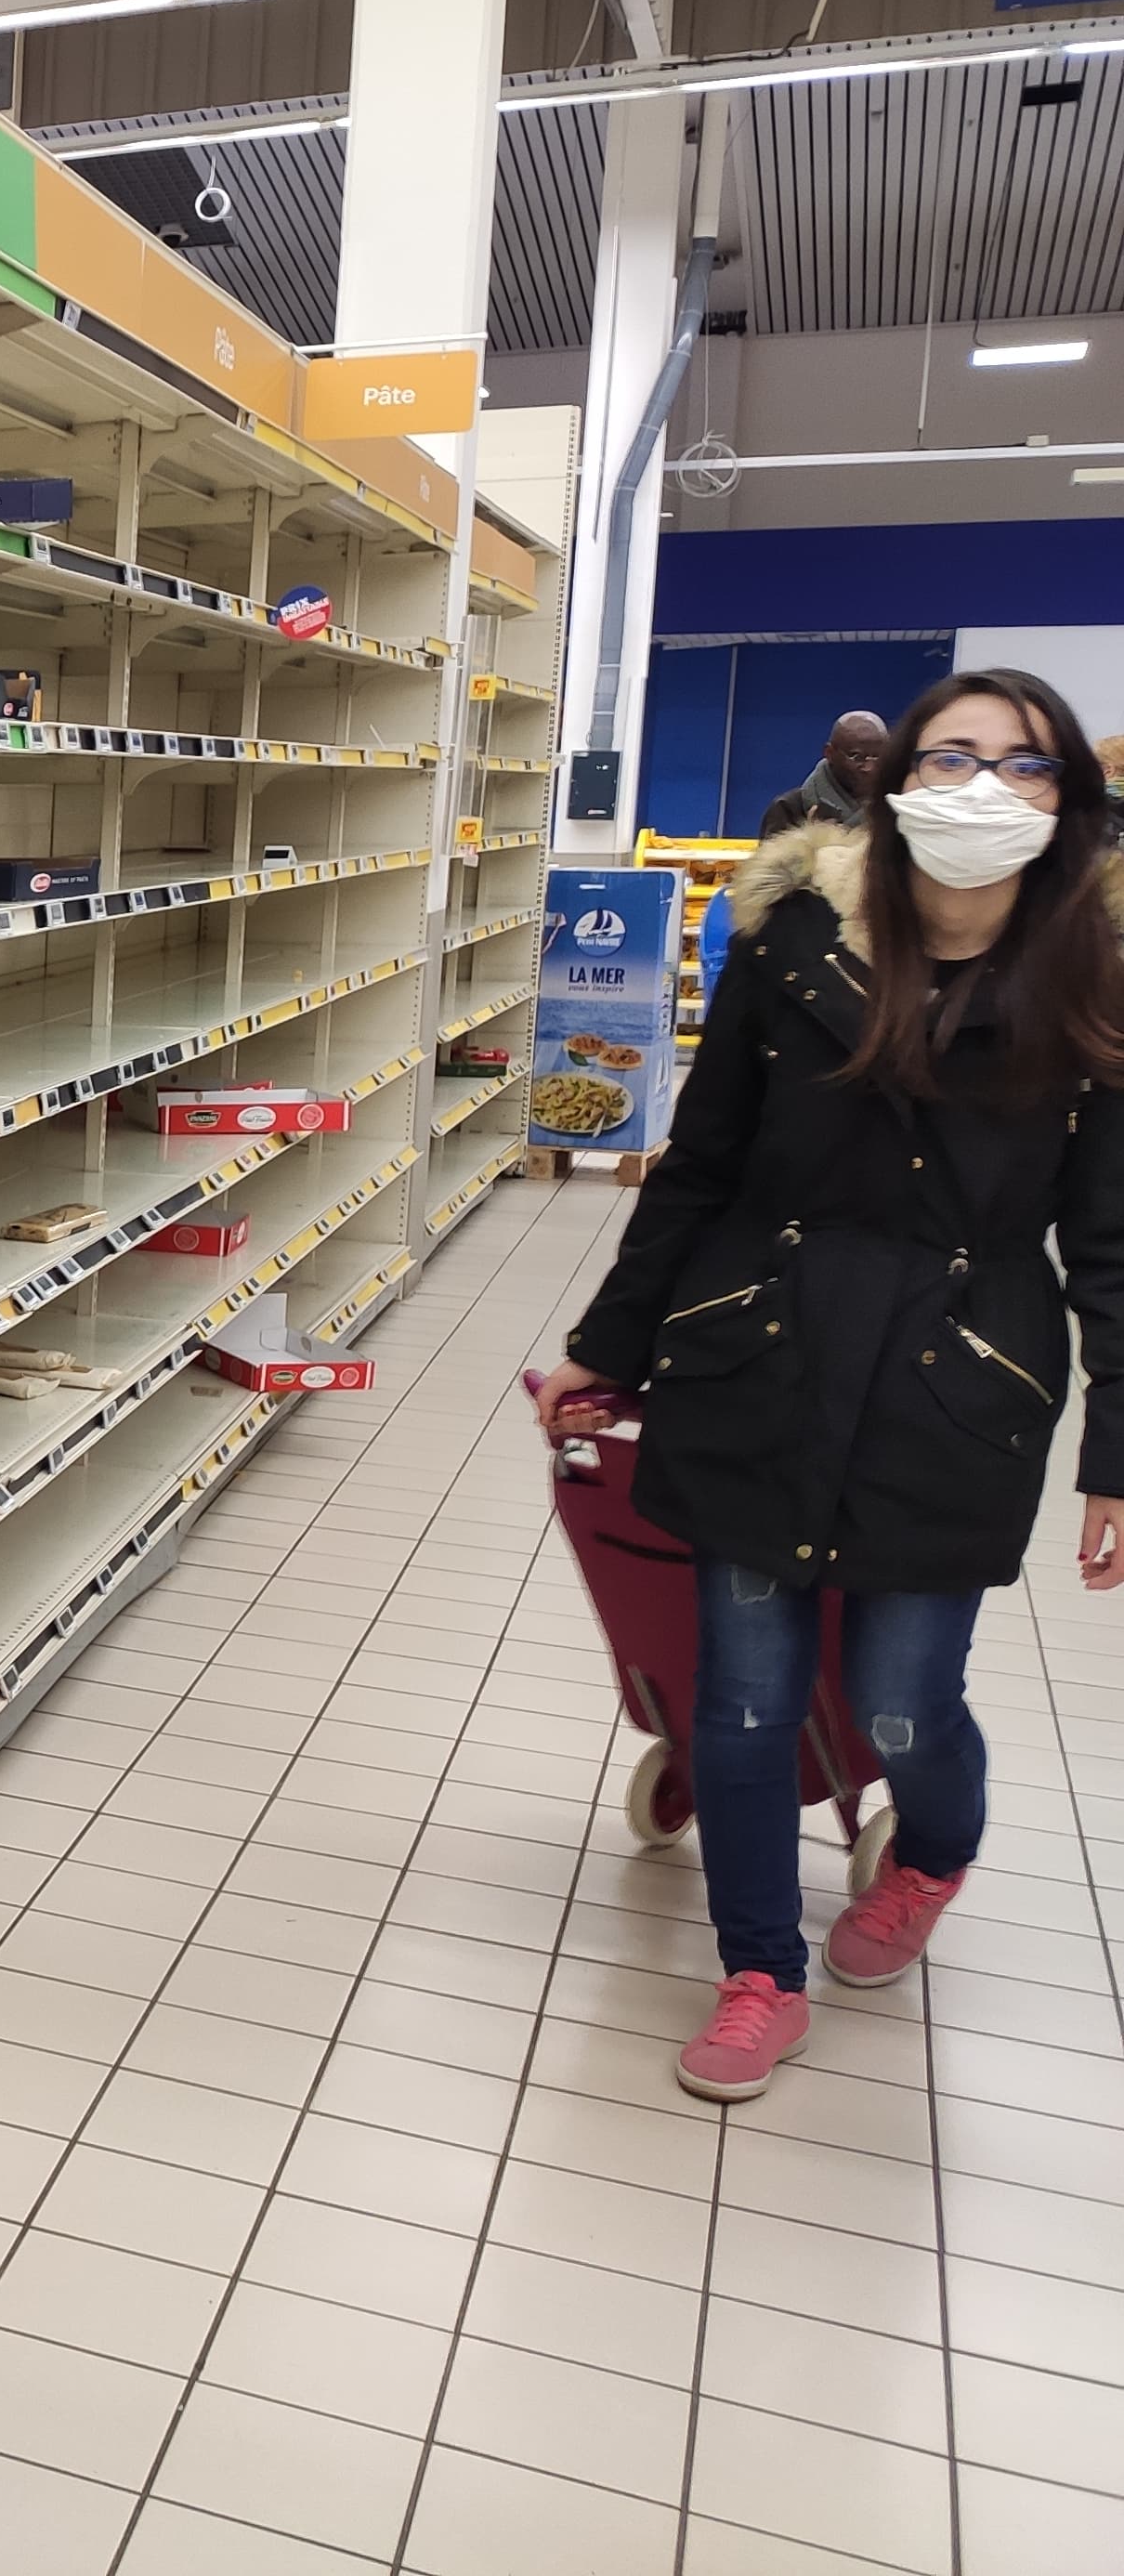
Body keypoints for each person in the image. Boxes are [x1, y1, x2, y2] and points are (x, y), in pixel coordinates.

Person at [537, 670, 1124, 2101]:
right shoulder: (793, 940)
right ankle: (758, 1972)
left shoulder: (1096, 977)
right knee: (742, 1699)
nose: (985, 789)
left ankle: (932, 1855)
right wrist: (610, 1344)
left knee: (905, 1698)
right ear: (896, 781)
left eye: (1025, 766)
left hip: (959, 1380)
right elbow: (702, 1166)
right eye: (952, 756)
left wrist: (1117, 1451)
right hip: (762, 1351)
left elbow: (1111, 1240)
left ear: (1068, 802)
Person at [752, 708, 890, 840]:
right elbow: (773, 857)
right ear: (829, 753)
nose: (869, 767)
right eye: (857, 757)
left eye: (878, 757)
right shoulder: (789, 810)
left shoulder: (895, 807)